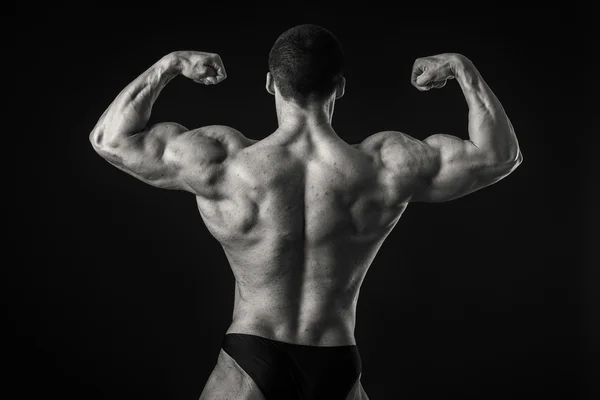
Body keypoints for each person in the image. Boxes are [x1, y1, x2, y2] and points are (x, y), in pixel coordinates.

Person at [89, 24, 522, 400]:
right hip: (337, 359)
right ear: (341, 86)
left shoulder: (225, 163)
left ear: (270, 84)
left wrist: (172, 63)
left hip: (251, 354)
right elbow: (499, 156)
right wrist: (460, 66)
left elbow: (109, 138)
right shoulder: (384, 167)